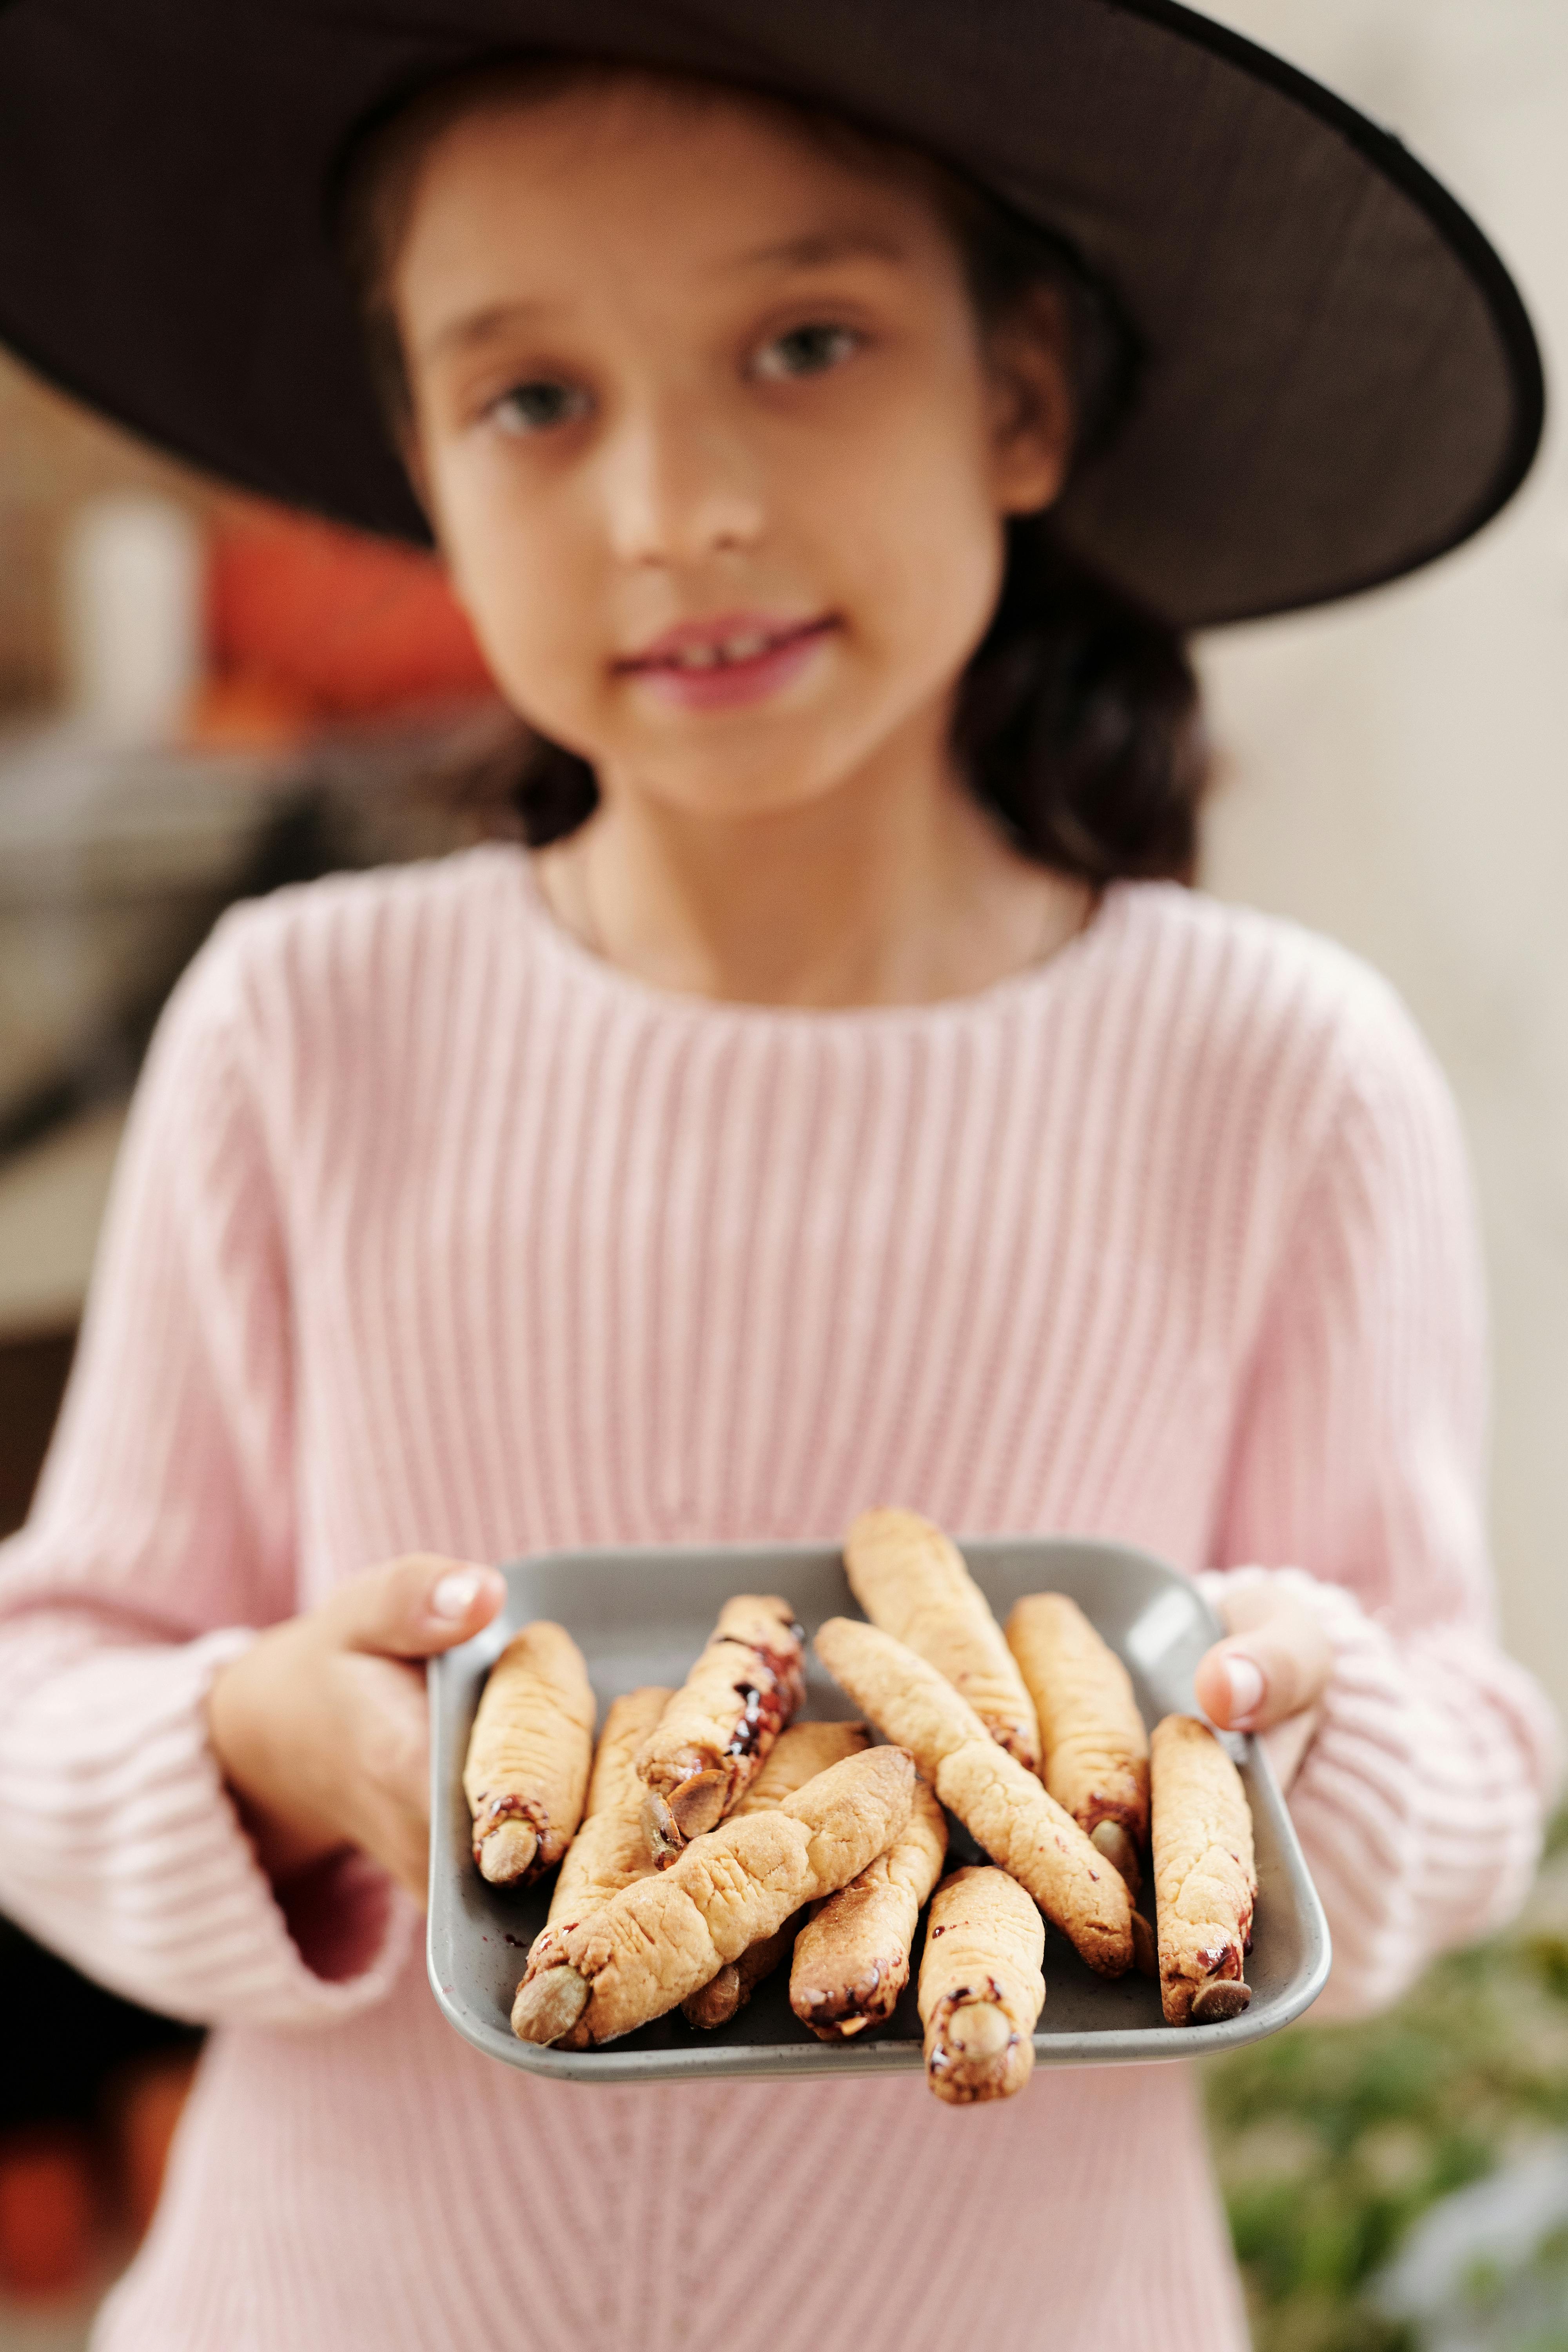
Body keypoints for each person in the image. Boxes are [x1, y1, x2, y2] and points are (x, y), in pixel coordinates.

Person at [0, 8, 1558, 2347]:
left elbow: (1470, 1749)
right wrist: (255, 1742)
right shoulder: (303, 1027)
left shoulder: (1274, 1075)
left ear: (1019, 395)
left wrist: (1293, 1737)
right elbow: (51, 1683)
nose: (672, 509)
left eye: (805, 341)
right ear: (421, 450)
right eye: (535, 398)